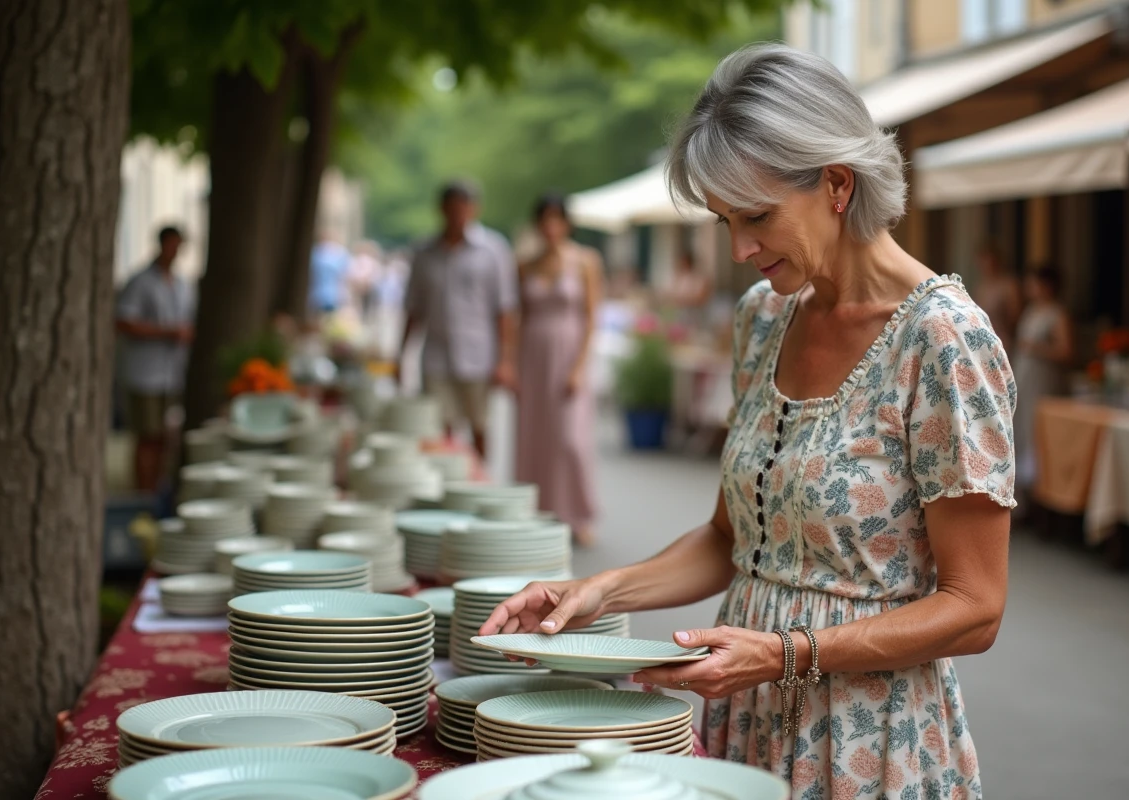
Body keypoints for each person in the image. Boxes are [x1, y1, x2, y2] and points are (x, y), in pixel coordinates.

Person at [481, 45, 1015, 798]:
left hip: (869, 737)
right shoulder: (763, 317)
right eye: (724, 220)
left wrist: (787, 653)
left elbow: (975, 608)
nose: (738, 249)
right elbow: (731, 540)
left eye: (757, 216)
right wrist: (600, 591)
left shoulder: (944, 340)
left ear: (837, 183)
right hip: (748, 715)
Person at [397, 180, 518, 458]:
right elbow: (413, 308)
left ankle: (479, 476)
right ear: (441, 209)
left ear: (474, 209)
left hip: (479, 354)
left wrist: (505, 360)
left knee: (480, 424)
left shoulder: (493, 249)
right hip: (436, 354)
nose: (457, 215)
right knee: (439, 427)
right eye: (452, 208)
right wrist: (400, 354)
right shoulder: (423, 253)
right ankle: (447, 478)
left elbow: (505, 309)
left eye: (463, 208)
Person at [514, 194, 602, 546]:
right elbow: (517, 319)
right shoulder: (525, 265)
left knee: (570, 440)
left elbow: (592, 317)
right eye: (545, 219)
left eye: (557, 219)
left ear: (566, 223)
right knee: (535, 436)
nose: (551, 226)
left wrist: (579, 367)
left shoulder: (585, 261)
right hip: (532, 358)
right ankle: (536, 512)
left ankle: (578, 516)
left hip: (568, 355)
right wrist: (510, 364)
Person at [116, 225, 195, 493]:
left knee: (165, 436)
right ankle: (143, 491)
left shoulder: (182, 284)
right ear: (161, 245)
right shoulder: (141, 282)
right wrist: (167, 332)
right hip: (145, 373)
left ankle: (157, 489)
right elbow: (124, 322)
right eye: (172, 245)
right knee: (146, 436)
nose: (175, 251)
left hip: (171, 373)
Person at [1013, 265, 1072, 497]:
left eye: (1034, 283)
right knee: (1022, 428)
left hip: (1042, 380)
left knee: (1037, 430)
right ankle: (1023, 489)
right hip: (1025, 377)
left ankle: (1040, 488)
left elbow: (1065, 351)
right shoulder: (1031, 310)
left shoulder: (1057, 314)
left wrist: (1036, 347)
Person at [973, 241, 1021, 350]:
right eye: (982, 260)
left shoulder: (1009, 285)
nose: (985, 265)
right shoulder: (980, 286)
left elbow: (1015, 317)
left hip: (1002, 339)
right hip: (982, 339)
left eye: (989, 260)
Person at [309, 230, 351, 317]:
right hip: (334, 294)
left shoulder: (316, 251)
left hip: (317, 293)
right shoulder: (340, 252)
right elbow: (345, 276)